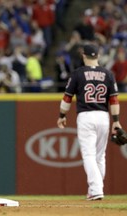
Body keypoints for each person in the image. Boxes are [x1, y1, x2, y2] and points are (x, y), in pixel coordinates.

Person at [57, 44, 122, 201]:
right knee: (100, 156)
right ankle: (94, 189)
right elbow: (114, 100)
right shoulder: (108, 74)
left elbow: (67, 98)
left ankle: (96, 189)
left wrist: (62, 115)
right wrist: (116, 122)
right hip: (103, 116)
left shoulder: (78, 74)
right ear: (98, 56)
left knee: (89, 155)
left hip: (86, 116)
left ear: (84, 56)